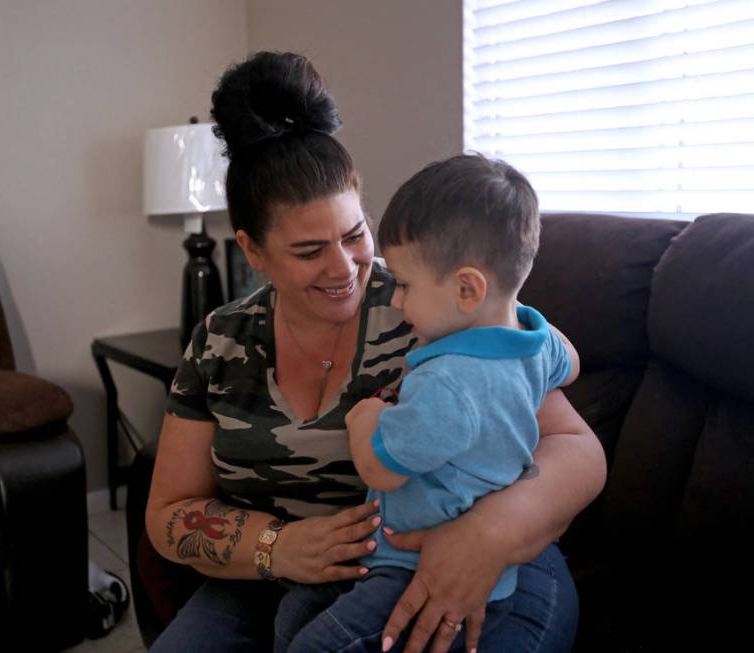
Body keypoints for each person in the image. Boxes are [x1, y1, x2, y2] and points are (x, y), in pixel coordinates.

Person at [144, 51, 606, 653]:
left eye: (354, 234)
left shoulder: (434, 305)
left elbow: (578, 450)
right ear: (252, 251)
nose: (345, 269)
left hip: (457, 555)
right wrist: (278, 546)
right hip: (270, 579)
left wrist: (487, 534)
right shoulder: (221, 341)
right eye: (310, 251)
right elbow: (170, 511)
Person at [280, 154, 581, 653]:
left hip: (416, 566)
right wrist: (533, 328)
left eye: (405, 285)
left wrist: (365, 416)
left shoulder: (449, 383)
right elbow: (571, 362)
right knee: (296, 613)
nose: (395, 301)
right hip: (434, 553)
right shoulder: (535, 338)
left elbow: (381, 468)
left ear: (467, 289)